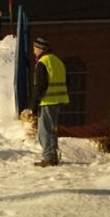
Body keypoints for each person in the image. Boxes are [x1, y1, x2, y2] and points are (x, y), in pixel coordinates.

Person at [31, 37, 69, 167]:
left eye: (35, 48)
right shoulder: (57, 61)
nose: (33, 51)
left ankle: (48, 158)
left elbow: (40, 86)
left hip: (47, 100)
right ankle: (52, 156)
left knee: (44, 130)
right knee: (52, 129)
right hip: (58, 100)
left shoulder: (43, 62)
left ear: (41, 49)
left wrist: (34, 105)